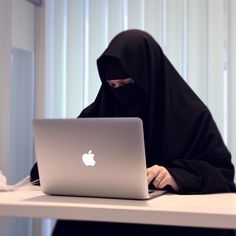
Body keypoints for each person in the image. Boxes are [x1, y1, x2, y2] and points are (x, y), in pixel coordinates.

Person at [30, 29, 236, 235]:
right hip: (107, 216)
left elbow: (222, 173)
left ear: (150, 76)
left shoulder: (190, 115)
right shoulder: (99, 110)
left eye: (127, 84)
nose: (120, 92)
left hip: (167, 222)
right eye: (113, 85)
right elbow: (45, 169)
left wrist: (176, 175)